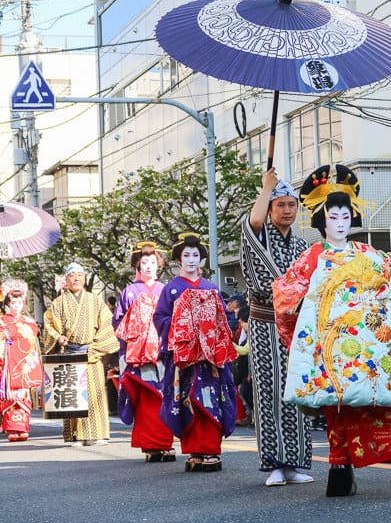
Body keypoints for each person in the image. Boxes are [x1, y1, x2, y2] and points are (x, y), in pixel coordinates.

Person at [273, 163, 391, 498]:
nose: (340, 223)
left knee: (376, 404)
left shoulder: (365, 252)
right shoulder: (312, 257)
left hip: (368, 350)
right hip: (330, 347)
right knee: (339, 405)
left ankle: (342, 469)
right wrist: (304, 313)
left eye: (344, 217)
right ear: (321, 221)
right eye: (333, 217)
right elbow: (286, 293)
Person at [240, 168, 313, 487]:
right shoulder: (261, 235)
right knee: (269, 390)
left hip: (296, 325)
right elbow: (252, 224)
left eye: (291, 205)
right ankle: (273, 463)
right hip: (264, 321)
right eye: (280, 205)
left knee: (298, 389)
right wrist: (266, 189)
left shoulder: (301, 246)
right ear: (270, 208)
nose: (287, 210)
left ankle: (295, 462)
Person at [153, 233, 237, 472]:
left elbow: (224, 319)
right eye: (186, 255)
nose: (191, 260)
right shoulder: (171, 289)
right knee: (187, 400)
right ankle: (195, 451)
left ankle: (209, 449)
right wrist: (183, 324)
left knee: (210, 400)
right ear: (179, 259)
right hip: (184, 360)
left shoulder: (211, 288)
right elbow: (159, 318)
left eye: (196, 255)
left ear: (202, 259)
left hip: (210, 360)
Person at [42, 263, 119, 446]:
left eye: (79, 275)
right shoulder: (58, 303)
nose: (76, 279)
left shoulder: (95, 300)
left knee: (95, 395)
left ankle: (98, 433)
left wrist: (96, 346)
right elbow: (49, 325)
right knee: (74, 397)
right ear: (66, 280)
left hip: (91, 353)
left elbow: (107, 324)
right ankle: (75, 435)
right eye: (72, 276)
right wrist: (58, 337)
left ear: (84, 279)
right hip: (70, 354)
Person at [113, 240, 174, 463]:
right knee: (147, 398)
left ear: (158, 264)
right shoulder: (129, 292)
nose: (148, 266)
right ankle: (151, 444)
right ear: (137, 265)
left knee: (165, 396)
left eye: (152, 262)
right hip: (138, 355)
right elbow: (119, 324)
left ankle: (165, 443)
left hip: (163, 352)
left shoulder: (166, 290)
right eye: (144, 262)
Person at [0, 279, 43, 441]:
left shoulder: (29, 322)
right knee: (9, 396)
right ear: (7, 304)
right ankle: (12, 429)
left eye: (19, 302)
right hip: (8, 365)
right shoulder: (2, 321)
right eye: (13, 302)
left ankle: (23, 428)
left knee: (23, 395)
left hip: (23, 364)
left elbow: (32, 343)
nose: (16, 306)